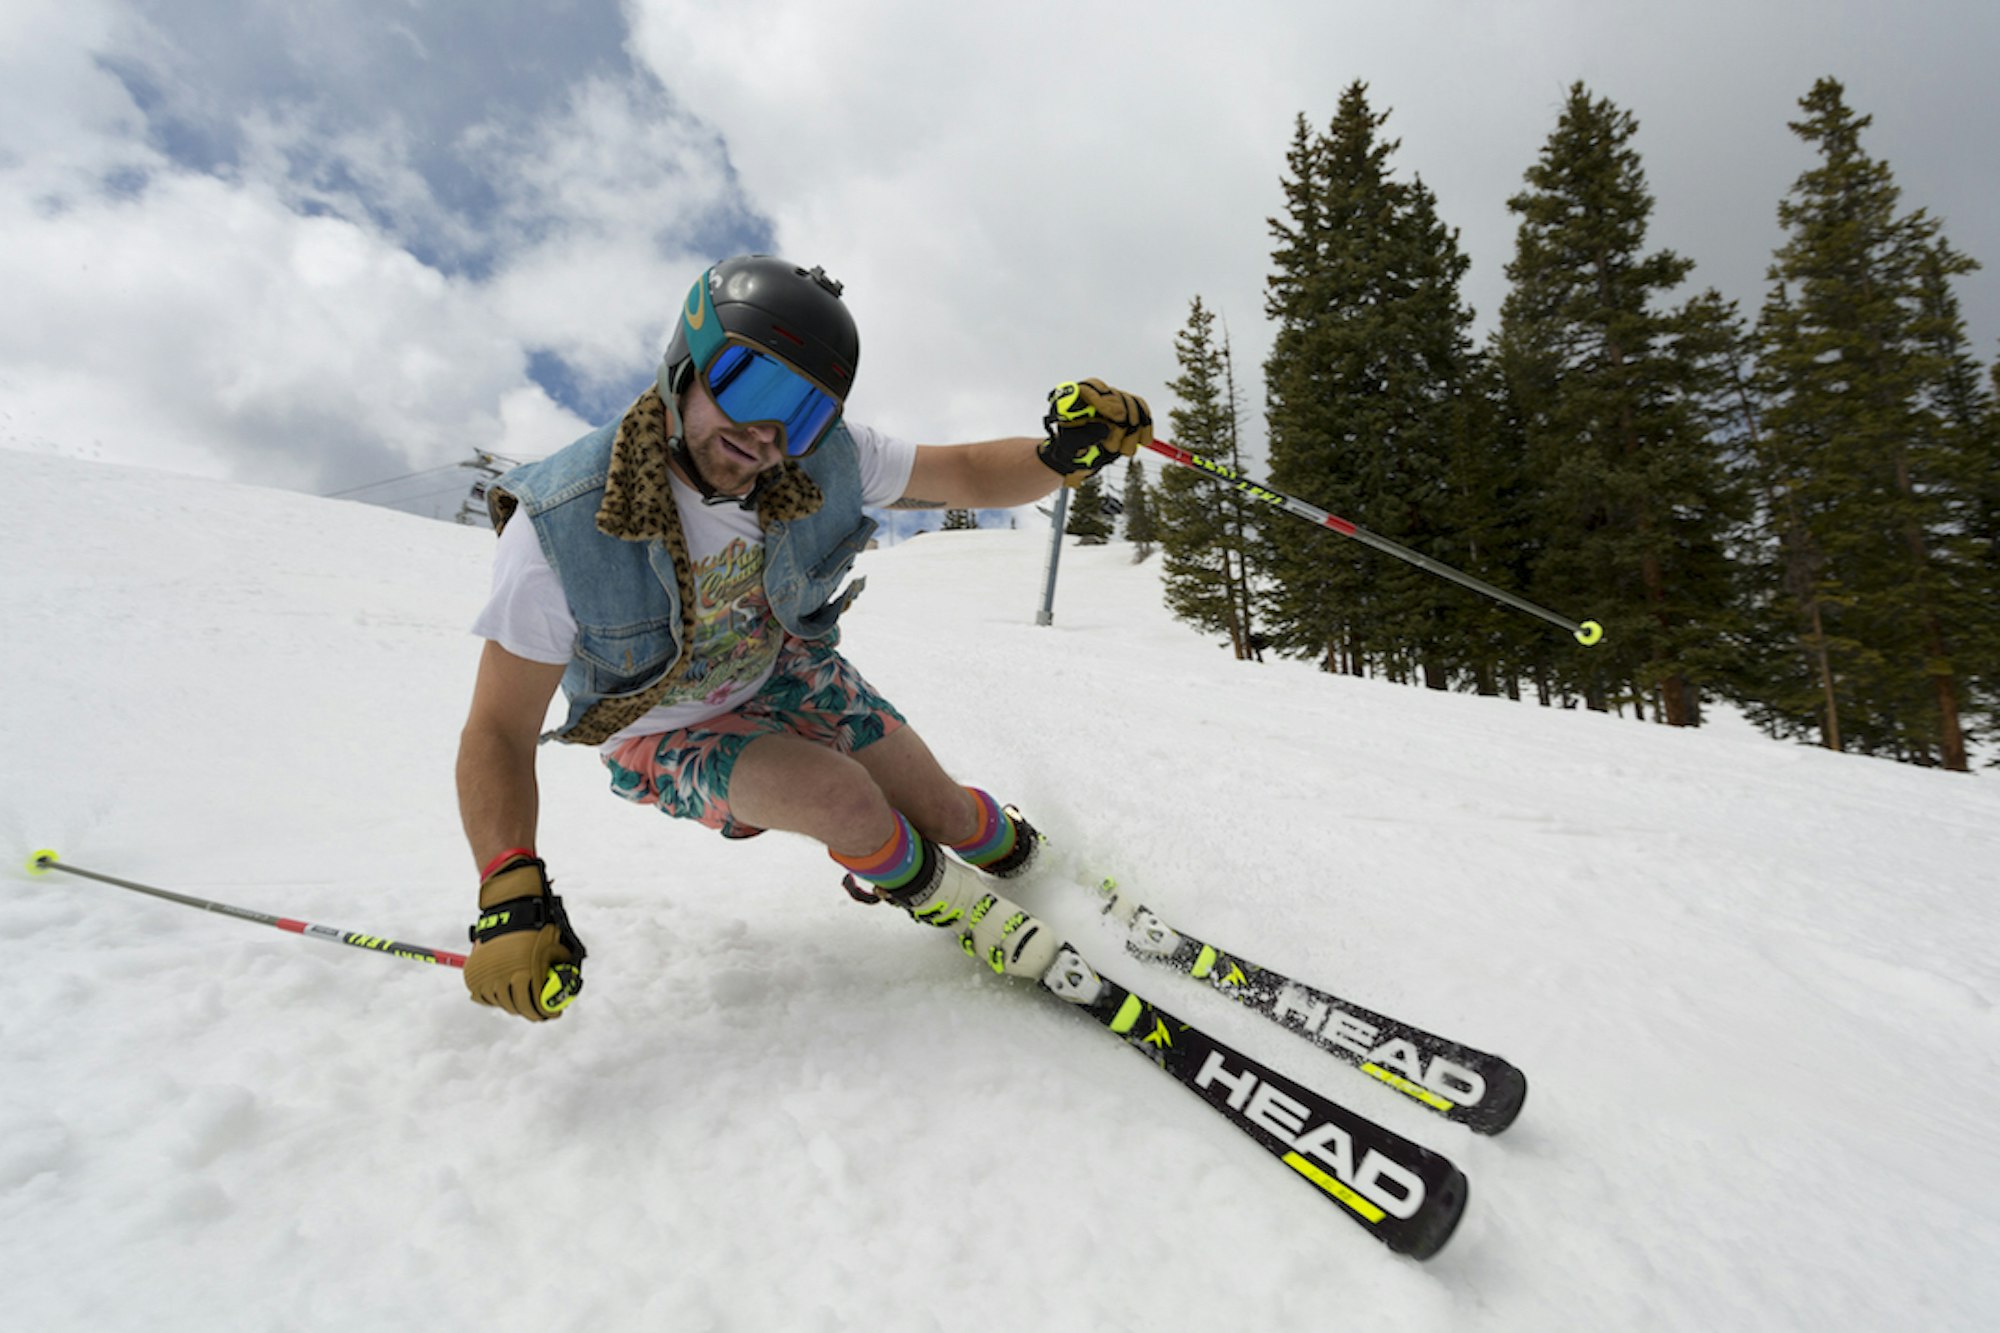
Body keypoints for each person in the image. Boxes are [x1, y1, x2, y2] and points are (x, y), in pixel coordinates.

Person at [456, 254, 1151, 1022]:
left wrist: (1059, 457)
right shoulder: (561, 527)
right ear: (685, 360)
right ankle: (958, 907)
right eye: (753, 386)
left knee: (946, 810)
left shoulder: (824, 458)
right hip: (665, 729)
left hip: (786, 667)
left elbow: (968, 476)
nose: (766, 435)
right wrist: (508, 885)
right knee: (844, 799)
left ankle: (1035, 868)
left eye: (805, 412)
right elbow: (498, 729)